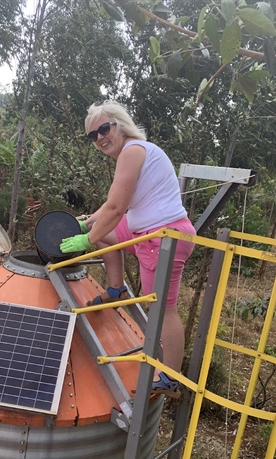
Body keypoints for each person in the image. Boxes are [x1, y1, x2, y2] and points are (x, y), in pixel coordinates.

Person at [60, 100, 195, 397]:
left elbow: (116, 208)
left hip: (163, 239)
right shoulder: (132, 153)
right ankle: (116, 288)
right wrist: (87, 224)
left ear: (120, 125)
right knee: (101, 232)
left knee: (163, 310)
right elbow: (111, 206)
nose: (99, 138)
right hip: (144, 232)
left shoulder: (132, 151)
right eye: (92, 135)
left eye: (104, 129)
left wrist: (86, 238)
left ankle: (171, 377)